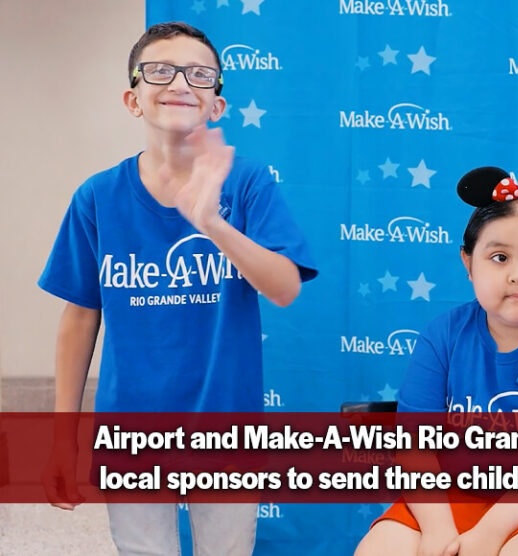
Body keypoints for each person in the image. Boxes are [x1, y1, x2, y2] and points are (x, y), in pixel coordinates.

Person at [38, 21, 317, 555]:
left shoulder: (249, 183)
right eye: (160, 70)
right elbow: (79, 319)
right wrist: (62, 438)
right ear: (133, 98)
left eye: (199, 73)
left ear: (216, 104)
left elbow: (284, 287)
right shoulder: (97, 197)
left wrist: (212, 223)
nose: (180, 82)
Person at [355, 163, 518, 556]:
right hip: (447, 497)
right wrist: (437, 530)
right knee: (379, 550)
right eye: (499, 257)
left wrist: (487, 535)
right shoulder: (442, 335)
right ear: (468, 263)